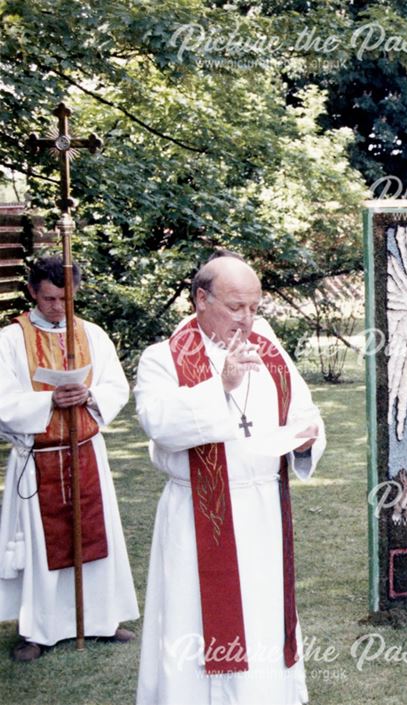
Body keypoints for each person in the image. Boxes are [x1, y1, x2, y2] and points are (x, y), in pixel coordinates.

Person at [134, 255, 325, 704]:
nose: (247, 319)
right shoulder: (162, 357)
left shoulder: (269, 348)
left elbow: (302, 409)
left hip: (262, 513)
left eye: (255, 308)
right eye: (236, 307)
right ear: (201, 298)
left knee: (262, 617)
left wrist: (304, 442)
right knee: (194, 623)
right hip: (198, 520)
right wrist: (220, 386)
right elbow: (158, 423)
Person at [0, 256, 137, 661]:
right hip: (38, 456)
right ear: (31, 293)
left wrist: (90, 395)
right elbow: (3, 400)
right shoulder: (9, 340)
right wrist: (49, 400)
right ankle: (39, 631)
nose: (59, 307)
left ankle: (99, 619)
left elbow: (116, 384)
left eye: (66, 298)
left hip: (84, 452)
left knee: (95, 537)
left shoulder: (91, 333)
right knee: (45, 547)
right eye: (49, 299)